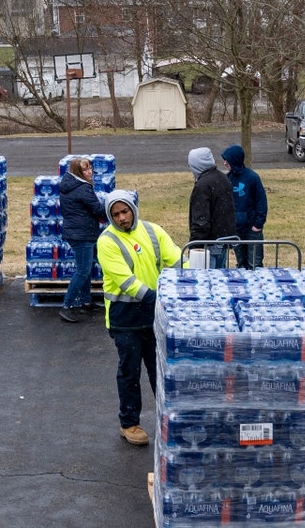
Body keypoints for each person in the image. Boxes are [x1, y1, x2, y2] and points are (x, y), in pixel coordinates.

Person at [96, 190, 183, 446]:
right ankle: (129, 423)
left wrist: (190, 282)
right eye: (116, 214)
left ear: (133, 208)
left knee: (161, 370)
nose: (122, 218)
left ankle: (168, 419)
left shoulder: (153, 231)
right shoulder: (106, 241)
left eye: (125, 211)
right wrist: (162, 299)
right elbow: (127, 282)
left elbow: (177, 260)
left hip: (154, 315)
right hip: (125, 319)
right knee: (130, 372)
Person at [58, 157, 105, 323]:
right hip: (82, 234)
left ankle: (86, 301)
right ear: (79, 172)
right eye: (86, 170)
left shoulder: (69, 185)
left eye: (90, 168)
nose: (90, 171)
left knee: (86, 268)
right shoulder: (83, 189)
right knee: (82, 270)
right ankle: (67, 306)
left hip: (78, 232)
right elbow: (98, 209)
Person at [187, 147, 237, 268]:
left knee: (205, 281)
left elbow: (201, 219)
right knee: (219, 280)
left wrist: (195, 245)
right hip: (223, 240)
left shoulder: (202, 186)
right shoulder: (223, 178)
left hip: (207, 244)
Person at [221, 144, 268, 269]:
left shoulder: (252, 178)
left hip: (252, 230)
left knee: (255, 265)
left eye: (227, 160)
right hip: (236, 230)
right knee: (241, 265)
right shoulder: (227, 179)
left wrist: (257, 225)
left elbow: (261, 202)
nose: (225, 163)